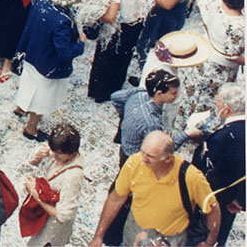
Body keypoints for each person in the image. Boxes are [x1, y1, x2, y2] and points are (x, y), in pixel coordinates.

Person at [88, 131, 220, 247]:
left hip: (170, 239)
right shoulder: (134, 163)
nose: (143, 159)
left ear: (168, 158)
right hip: (135, 230)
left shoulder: (191, 177)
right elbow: (116, 198)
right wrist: (98, 235)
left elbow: (213, 208)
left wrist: (209, 242)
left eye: (150, 156)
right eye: (143, 152)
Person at [16, 0, 91, 141]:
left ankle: (21, 108)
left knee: (28, 82)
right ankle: (31, 128)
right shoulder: (62, 20)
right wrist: (81, 44)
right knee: (41, 97)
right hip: (48, 63)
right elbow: (63, 52)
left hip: (32, 50)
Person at [88, 0, 154, 102]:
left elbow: (111, 17)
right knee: (123, 58)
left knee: (106, 59)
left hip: (118, 28)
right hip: (136, 25)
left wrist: (95, 12)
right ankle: (115, 87)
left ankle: (101, 93)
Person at [190, 83, 245, 247]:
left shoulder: (221, 139)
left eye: (218, 101)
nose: (216, 103)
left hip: (213, 201)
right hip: (233, 201)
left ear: (226, 109)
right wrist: (241, 199)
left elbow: (206, 172)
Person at [23, 123, 85, 247]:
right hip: (42, 214)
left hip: (52, 225)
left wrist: (36, 195)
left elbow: (63, 216)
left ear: (72, 153)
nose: (54, 155)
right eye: (53, 151)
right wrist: (39, 155)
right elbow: (31, 162)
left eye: (59, 154)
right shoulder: (58, 149)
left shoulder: (72, 177)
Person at [111, 69, 189, 165]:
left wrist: (125, 116)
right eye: (173, 93)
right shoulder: (151, 123)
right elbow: (163, 149)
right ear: (159, 94)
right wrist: (187, 134)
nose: (177, 96)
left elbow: (115, 97)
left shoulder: (138, 92)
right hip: (136, 161)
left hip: (125, 148)